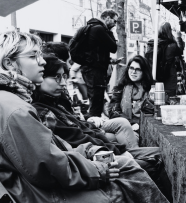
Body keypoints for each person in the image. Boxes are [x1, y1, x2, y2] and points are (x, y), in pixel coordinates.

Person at [0, 30, 169, 203]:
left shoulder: (17, 102)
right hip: (47, 194)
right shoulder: (17, 109)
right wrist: (97, 168)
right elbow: (47, 167)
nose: (41, 60)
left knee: (131, 165)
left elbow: (55, 148)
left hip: (50, 184)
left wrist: (90, 150)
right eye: (33, 56)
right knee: (131, 176)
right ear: (9, 63)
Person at [80, 9, 120, 117]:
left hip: (90, 69)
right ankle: (94, 126)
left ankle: (94, 124)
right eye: (114, 21)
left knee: (95, 100)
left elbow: (95, 53)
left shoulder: (92, 27)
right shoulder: (99, 29)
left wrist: (109, 61)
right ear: (107, 18)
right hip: (94, 71)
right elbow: (113, 47)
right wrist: (111, 32)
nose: (115, 24)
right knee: (96, 101)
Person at [108, 55, 154, 123]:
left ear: (144, 72)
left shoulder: (152, 89)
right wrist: (131, 123)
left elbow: (156, 112)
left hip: (146, 126)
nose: (133, 72)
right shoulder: (120, 87)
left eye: (138, 69)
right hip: (125, 126)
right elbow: (113, 112)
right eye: (131, 68)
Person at [156, 22, 184, 97]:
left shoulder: (155, 43)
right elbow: (180, 51)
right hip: (169, 77)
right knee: (170, 98)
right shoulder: (172, 46)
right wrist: (178, 38)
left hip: (156, 77)